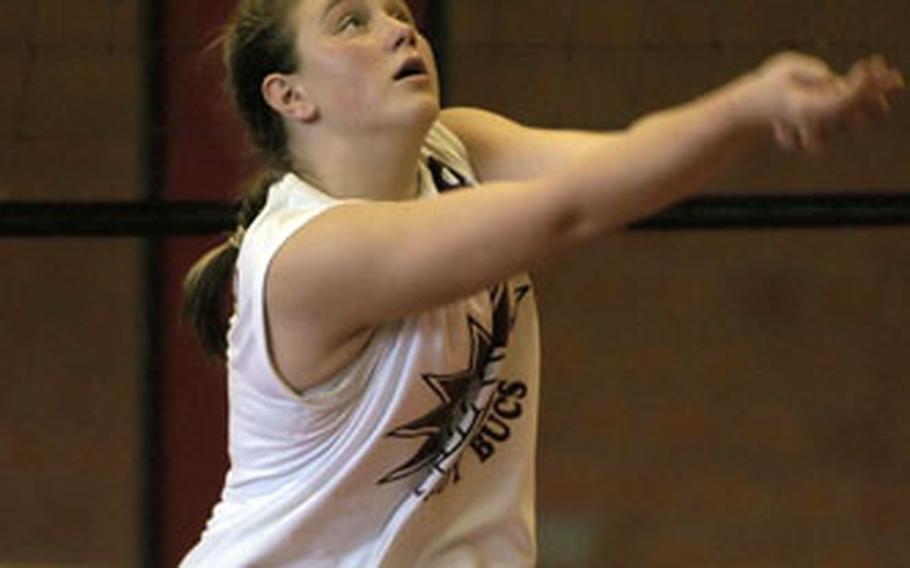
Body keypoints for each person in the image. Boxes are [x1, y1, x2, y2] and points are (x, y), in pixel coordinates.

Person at [179, 0, 903, 565]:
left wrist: (764, 119)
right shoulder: (309, 257)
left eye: (399, 15)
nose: (399, 31)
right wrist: (746, 104)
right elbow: (565, 213)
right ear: (290, 96)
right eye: (352, 23)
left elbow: (619, 171)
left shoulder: (458, 147)